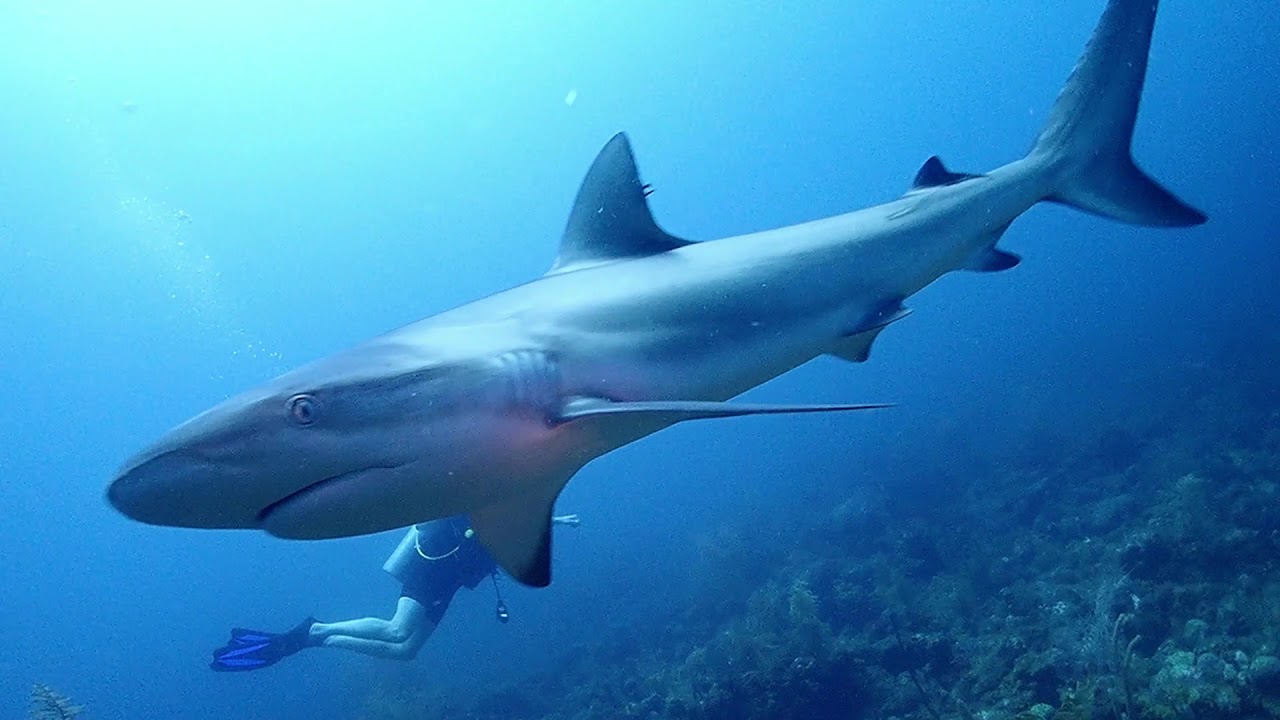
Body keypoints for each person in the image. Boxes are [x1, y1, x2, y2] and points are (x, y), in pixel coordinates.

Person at [209, 513, 580, 671]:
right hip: (432, 566)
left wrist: (553, 521)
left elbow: (516, 524)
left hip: (447, 582)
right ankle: (317, 629)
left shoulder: (509, 515)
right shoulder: (483, 498)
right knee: (397, 630)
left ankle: (318, 638)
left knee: (406, 652)